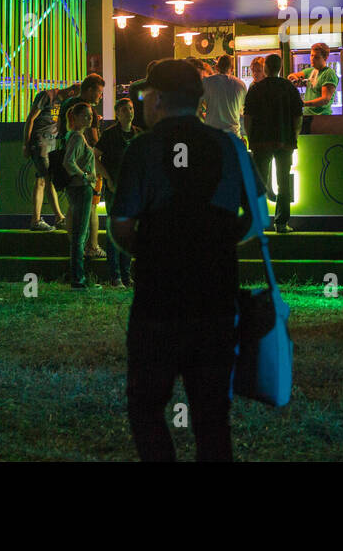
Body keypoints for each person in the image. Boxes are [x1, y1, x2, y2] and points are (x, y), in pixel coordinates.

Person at [109, 59, 266, 461]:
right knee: (213, 417)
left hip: (156, 304)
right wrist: (216, 241)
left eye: (144, 95)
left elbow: (122, 227)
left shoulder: (142, 149)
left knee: (146, 407)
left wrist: (158, 248)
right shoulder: (231, 147)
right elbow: (258, 218)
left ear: (157, 98)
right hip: (216, 302)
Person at [243, 53, 304, 234]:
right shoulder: (289, 88)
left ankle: (258, 222)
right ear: (280, 67)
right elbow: (298, 117)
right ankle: (281, 223)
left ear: (266, 68)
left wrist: (250, 137)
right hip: (284, 141)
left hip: (260, 142)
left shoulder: (255, 89)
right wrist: (295, 135)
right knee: (284, 182)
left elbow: (248, 118)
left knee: (259, 182)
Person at [22, 82, 83, 231]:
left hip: (51, 144)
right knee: (46, 178)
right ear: (72, 92)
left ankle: (38, 220)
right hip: (40, 141)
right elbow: (30, 118)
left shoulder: (63, 103)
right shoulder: (47, 96)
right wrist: (26, 144)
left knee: (42, 179)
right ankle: (57, 218)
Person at [58, 75, 106, 255]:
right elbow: (94, 140)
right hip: (85, 165)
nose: (100, 97)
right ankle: (92, 246)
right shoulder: (88, 111)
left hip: (65, 161)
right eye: (99, 92)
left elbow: (59, 128)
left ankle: (74, 244)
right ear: (90, 90)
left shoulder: (67, 104)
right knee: (92, 205)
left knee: (72, 206)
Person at [96, 98, 141, 286]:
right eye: (124, 110)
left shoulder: (138, 134)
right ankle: (115, 276)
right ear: (117, 113)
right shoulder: (109, 135)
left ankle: (126, 274)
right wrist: (107, 178)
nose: (129, 112)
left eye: (130, 109)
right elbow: (95, 156)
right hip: (115, 189)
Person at [62, 102, 102, 288]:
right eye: (85, 115)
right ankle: (78, 278)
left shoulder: (74, 136)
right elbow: (68, 162)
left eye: (90, 115)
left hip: (76, 188)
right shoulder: (77, 137)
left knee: (79, 234)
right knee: (80, 235)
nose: (89, 118)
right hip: (81, 187)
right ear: (76, 118)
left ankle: (78, 276)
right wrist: (85, 175)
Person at [201, 53, 248, 137]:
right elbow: (243, 109)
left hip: (212, 132)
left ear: (217, 67)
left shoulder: (206, 82)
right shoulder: (241, 84)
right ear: (232, 68)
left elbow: (199, 103)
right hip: (233, 133)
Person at [289, 42, 337, 116]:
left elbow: (325, 99)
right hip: (307, 115)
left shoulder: (329, 73)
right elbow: (291, 76)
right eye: (311, 55)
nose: (312, 59)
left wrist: (303, 104)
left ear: (325, 58)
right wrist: (295, 79)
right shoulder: (310, 71)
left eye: (316, 57)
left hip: (321, 117)